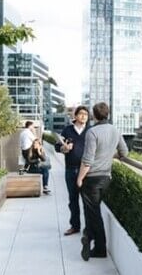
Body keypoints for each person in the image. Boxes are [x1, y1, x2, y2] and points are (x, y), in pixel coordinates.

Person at [76, 102, 128, 261]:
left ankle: (97, 246)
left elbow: (87, 160)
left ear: (94, 115)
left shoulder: (92, 132)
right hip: (106, 178)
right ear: (107, 114)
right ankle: (89, 237)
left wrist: (79, 178)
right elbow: (124, 152)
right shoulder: (115, 130)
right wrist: (107, 156)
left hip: (91, 179)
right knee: (93, 210)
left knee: (94, 213)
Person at [55, 106, 90, 235]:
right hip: (70, 169)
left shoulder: (90, 131)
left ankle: (88, 228)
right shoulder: (67, 130)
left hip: (86, 171)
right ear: (75, 116)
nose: (83, 116)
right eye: (81, 114)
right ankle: (75, 226)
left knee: (87, 200)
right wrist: (64, 149)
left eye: (86, 114)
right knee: (73, 199)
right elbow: (58, 146)